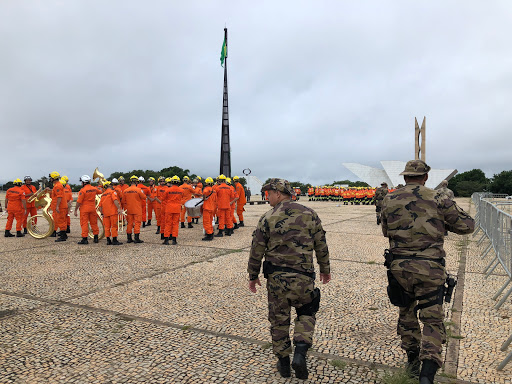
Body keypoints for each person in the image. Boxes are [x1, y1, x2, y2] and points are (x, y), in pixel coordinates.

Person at [380, 160, 475, 384]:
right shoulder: (438, 198)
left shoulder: (389, 198)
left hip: (400, 268)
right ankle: (427, 373)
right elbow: (467, 226)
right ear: (425, 177)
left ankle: (412, 361)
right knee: (432, 319)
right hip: (430, 268)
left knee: (406, 314)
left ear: (405, 177)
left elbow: (386, 230)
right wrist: (441, 222)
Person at [247, 178, 331, 380]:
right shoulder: (310, 214)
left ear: (278, 193)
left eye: (269, 193)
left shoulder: (267, 217)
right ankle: (300, 354)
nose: (267, 197)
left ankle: (284, 363)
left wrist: (253, 275)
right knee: (306, 313)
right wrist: (325, 269)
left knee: (279, 320)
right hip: (303, 278)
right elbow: (321, 244)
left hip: (277, 279)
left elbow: (256, 249)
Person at [74, 175, 101, 244]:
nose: (81, 184)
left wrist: (75, 210)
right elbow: (100, 192)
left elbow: (79, 202)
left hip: (84, 209)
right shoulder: (94, 188)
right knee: (94, 223)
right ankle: (96, 238)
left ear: (84, 183)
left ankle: (85, 239)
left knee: (84, 224)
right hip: (92, 208)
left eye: (82, 182)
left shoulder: (82, 190)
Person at [122, 175, 147, 243]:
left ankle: (129, 238)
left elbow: (123, 201)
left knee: (129, 223)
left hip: (129, 209)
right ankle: (136, 238)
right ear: (136, 182)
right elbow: (144, 197)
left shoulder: (125, 190)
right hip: (137, 209)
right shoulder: (139, 190)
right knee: (137, 223)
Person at [99, 181, 123, 245]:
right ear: (109, 186)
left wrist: (102, 213)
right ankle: (114, 240)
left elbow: (100, 206)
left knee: (107, 227)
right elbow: (115, 200)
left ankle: (108, 240)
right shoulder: (112, 192)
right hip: (113, 213)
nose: (112, 186)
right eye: (111, 185)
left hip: (105, 214)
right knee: (114, 226)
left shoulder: (103, 195)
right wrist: (119, 208)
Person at [47, 171, 68, 242]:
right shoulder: (57, 185)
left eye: (51, 178)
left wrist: (57, 206)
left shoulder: (58, 185)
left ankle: (63, 236)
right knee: (61, 220)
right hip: (61, 206)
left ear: (53, 178)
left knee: (60, 221)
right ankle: (64, 234)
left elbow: (59, 197)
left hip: (60, 207)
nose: (50, 179)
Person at [162, 175, 183, 245]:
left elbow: (163, 199)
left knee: (168, 224)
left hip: (169, 208)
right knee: (175, 224)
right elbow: (182, 197)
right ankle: (174, 240)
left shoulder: (167, 190)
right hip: (177, 208)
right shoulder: (181, 190)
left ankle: (166, 240)